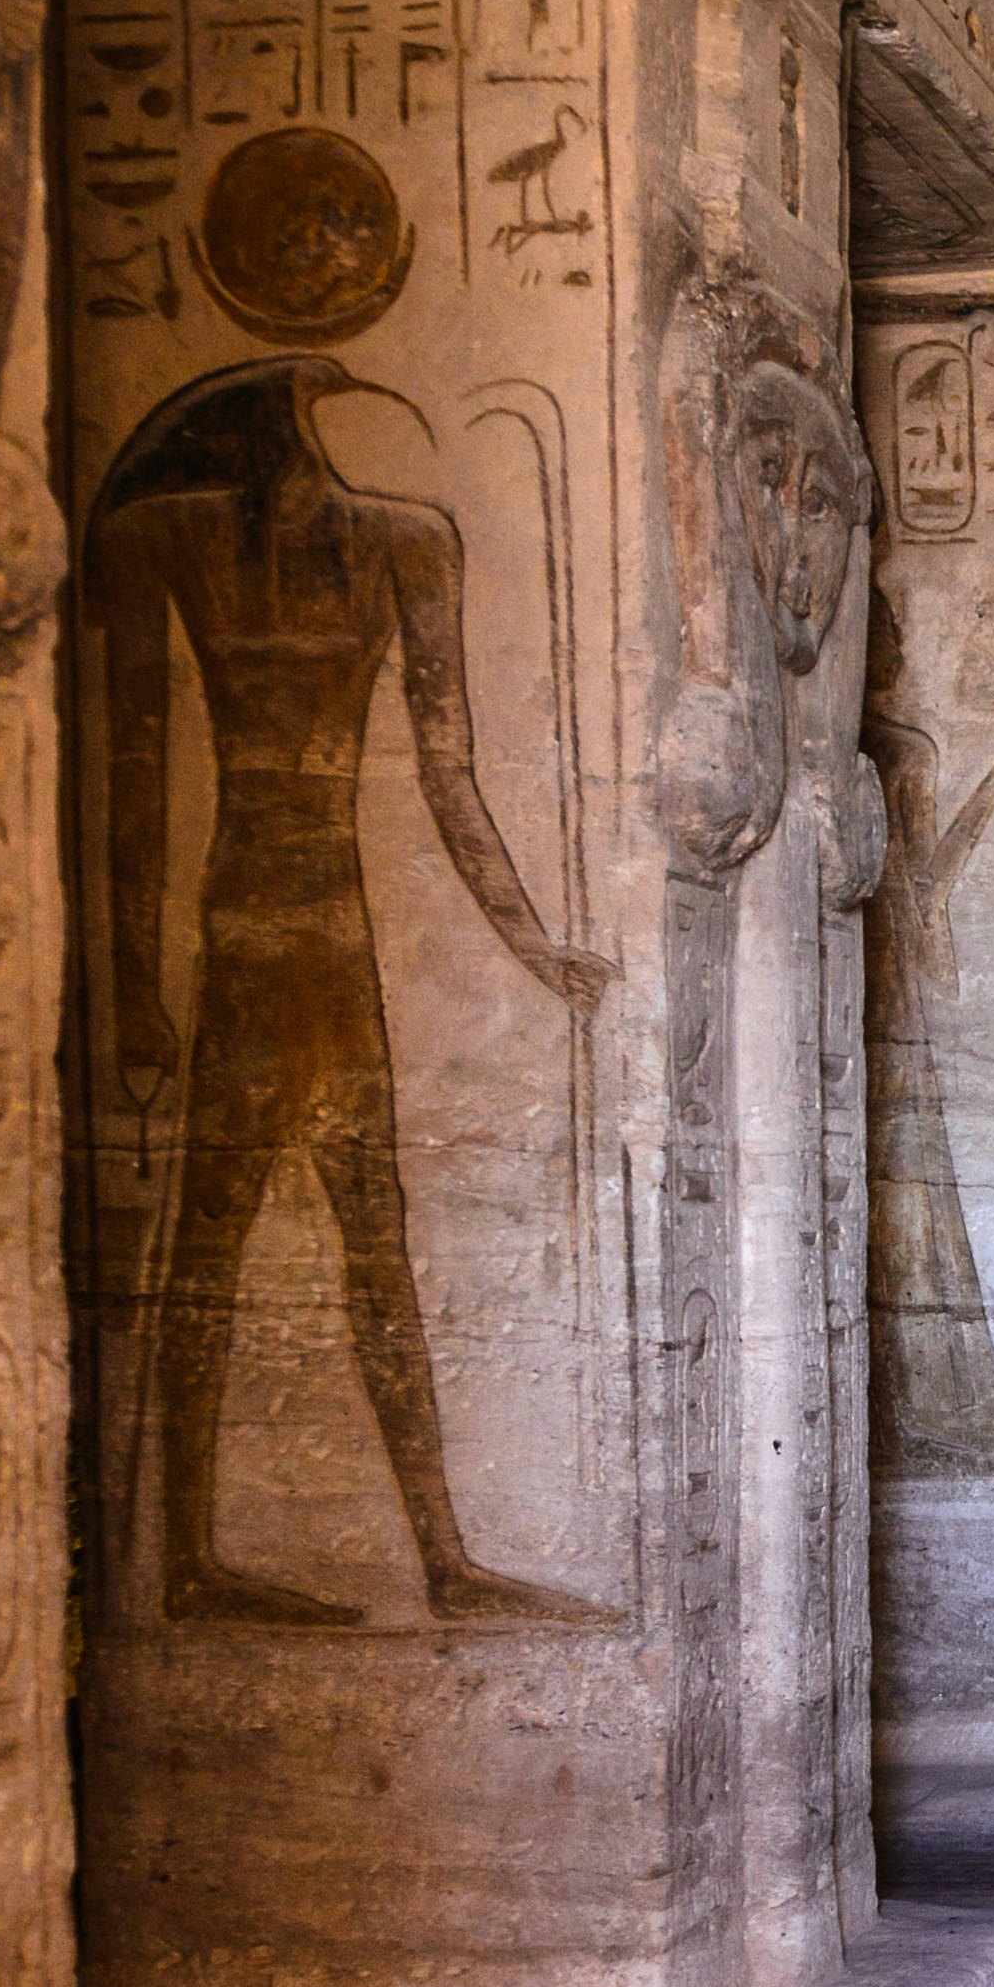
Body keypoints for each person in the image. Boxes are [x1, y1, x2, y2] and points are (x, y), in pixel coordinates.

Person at [92, 353, 615, 1625]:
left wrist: (532, 945)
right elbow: (137, 775)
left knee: (369, 1243)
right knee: (214, 1251)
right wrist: (133, 990)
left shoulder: (403, 542)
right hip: (252, 937)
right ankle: (195, 1563)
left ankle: (442, 1558)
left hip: (317, 938)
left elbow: (449, 777)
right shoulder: (173, 539)